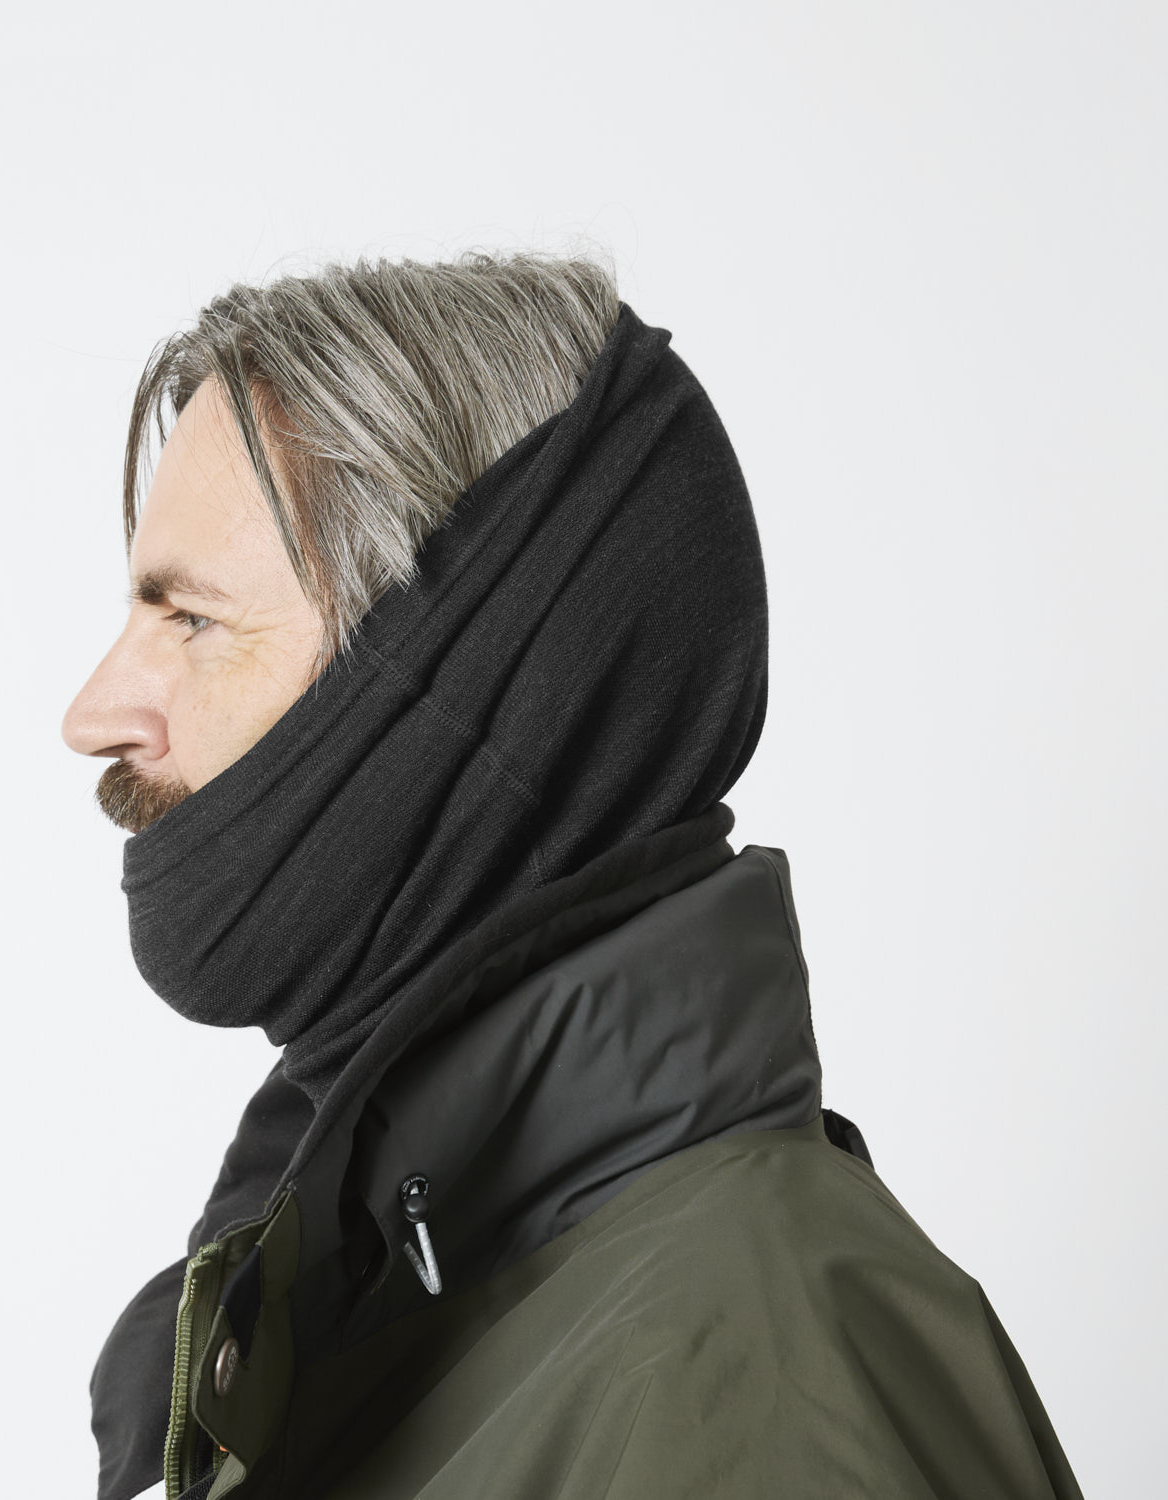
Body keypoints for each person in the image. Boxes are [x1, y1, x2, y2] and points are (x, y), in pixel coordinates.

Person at [61, 250, 1084, 1500]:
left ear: (486, 683)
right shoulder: (396, 1302)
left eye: (192, 619)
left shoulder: (753, 1393)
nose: (93, 713)